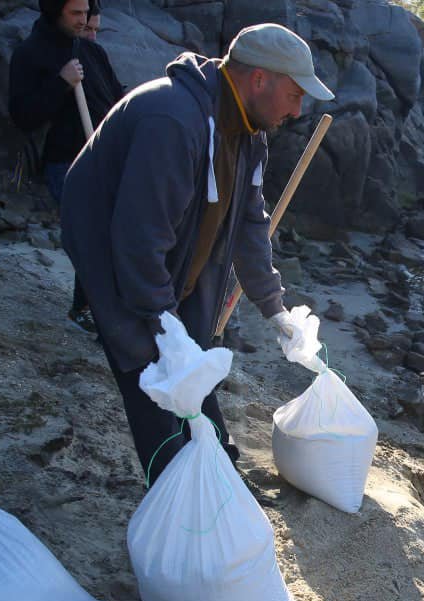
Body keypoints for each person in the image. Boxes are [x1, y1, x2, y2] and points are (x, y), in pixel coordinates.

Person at [59, 24, 334, 484]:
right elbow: (138, 240)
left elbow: (249, 224)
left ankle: (218, 472)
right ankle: (173, 496)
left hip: (177, 251)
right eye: (294, 93)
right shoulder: (171, 119)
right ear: (259, 79)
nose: (298, 108)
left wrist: (275, 308)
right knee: (154, 378)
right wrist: (161, 322)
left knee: (195, 361)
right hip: (114, 253)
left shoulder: (250, 131)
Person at [8, 0, 125, 334]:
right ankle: (93, 311)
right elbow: (23, 117)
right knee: (94, 234)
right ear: (54, 11)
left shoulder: (91, 52)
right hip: (66, 163)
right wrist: (61, 82)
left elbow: (117, 100)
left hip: (105, 158)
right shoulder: (30, 54)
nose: (83, 20)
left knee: (112, 233)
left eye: (85, 13)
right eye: (75, 14)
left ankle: (89, 306)